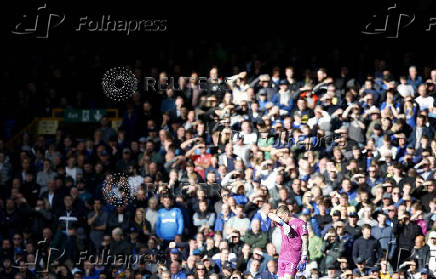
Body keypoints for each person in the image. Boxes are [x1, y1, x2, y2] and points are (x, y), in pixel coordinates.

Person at [267, 205, 308, 279]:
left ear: (286, 214)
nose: (279, 219)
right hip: (282, 256)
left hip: (293, 256)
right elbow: (269, 214)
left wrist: (304, 257)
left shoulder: (300, 223)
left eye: (280, 217)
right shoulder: (282, 223)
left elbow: (305, 240)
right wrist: (282, 223)